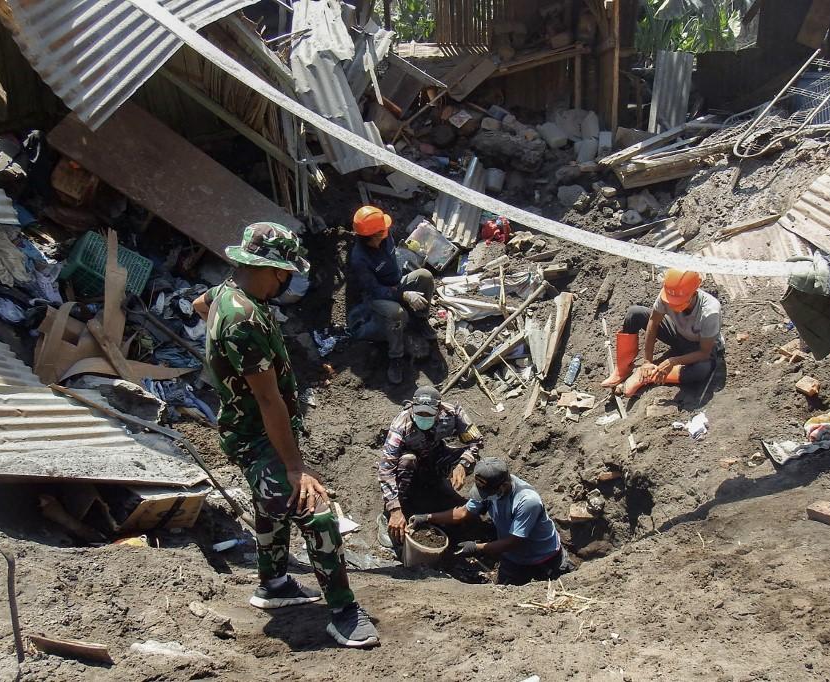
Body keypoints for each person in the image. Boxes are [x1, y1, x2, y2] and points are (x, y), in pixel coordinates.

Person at [193, 222, 378, 649]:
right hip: (256, 434)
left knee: (271, 504)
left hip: (245, 427)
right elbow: (268, 399)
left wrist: (223, 368)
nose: (287, 282)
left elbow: (199, 306)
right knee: (314, 510)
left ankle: (274, 583)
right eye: (286, 274)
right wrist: (296, 468)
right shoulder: (243, 321)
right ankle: (343, 613)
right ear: (273, 270)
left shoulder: (224, 293)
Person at [409, 459, 572, 586]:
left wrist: (476, 547)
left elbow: (514, 541)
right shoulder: (489, 489)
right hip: (513, 560)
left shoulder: (527, 501)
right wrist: (427, 517)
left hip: (545, 558)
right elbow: (463, 513)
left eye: (487, 493)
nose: (484, 496)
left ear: (504, 485)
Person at [378, 386, 483, 548]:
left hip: (435, 456)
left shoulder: (452, 413)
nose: (423, 417)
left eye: (429, 414)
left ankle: (437, 484)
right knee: (408, 460)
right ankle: (393, 512)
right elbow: (386, 468)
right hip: (409, 464)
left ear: (439, 409)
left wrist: (462, 464)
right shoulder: (401, 423)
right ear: (413, 407)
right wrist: (394, 509)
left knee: (473, 460)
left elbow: (476, 441)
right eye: (420, 414)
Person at [347, 205, 436, 384]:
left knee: (425, 276)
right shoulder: (359, 259)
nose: (386, 232)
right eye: (382, 230)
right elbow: (374, 290)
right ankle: (396, 357)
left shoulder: (385, 238)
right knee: (397, 313)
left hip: (396, 284)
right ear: (370, 237)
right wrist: (404, 296)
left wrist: (403, 289)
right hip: (375, 297)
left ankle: (420, 319)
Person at [601, 268, 722, 397]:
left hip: (698, 347)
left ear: (693, 294)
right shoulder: (669, 293)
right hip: (678, 333)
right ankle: (623, 369)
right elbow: (653, 322)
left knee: (701, 370)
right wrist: (647, 361)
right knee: (635, 313)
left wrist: (672, 361)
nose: (672, 305)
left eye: (677, 303)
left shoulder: (709, 312)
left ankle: (649, 376)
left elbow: (704, 353)